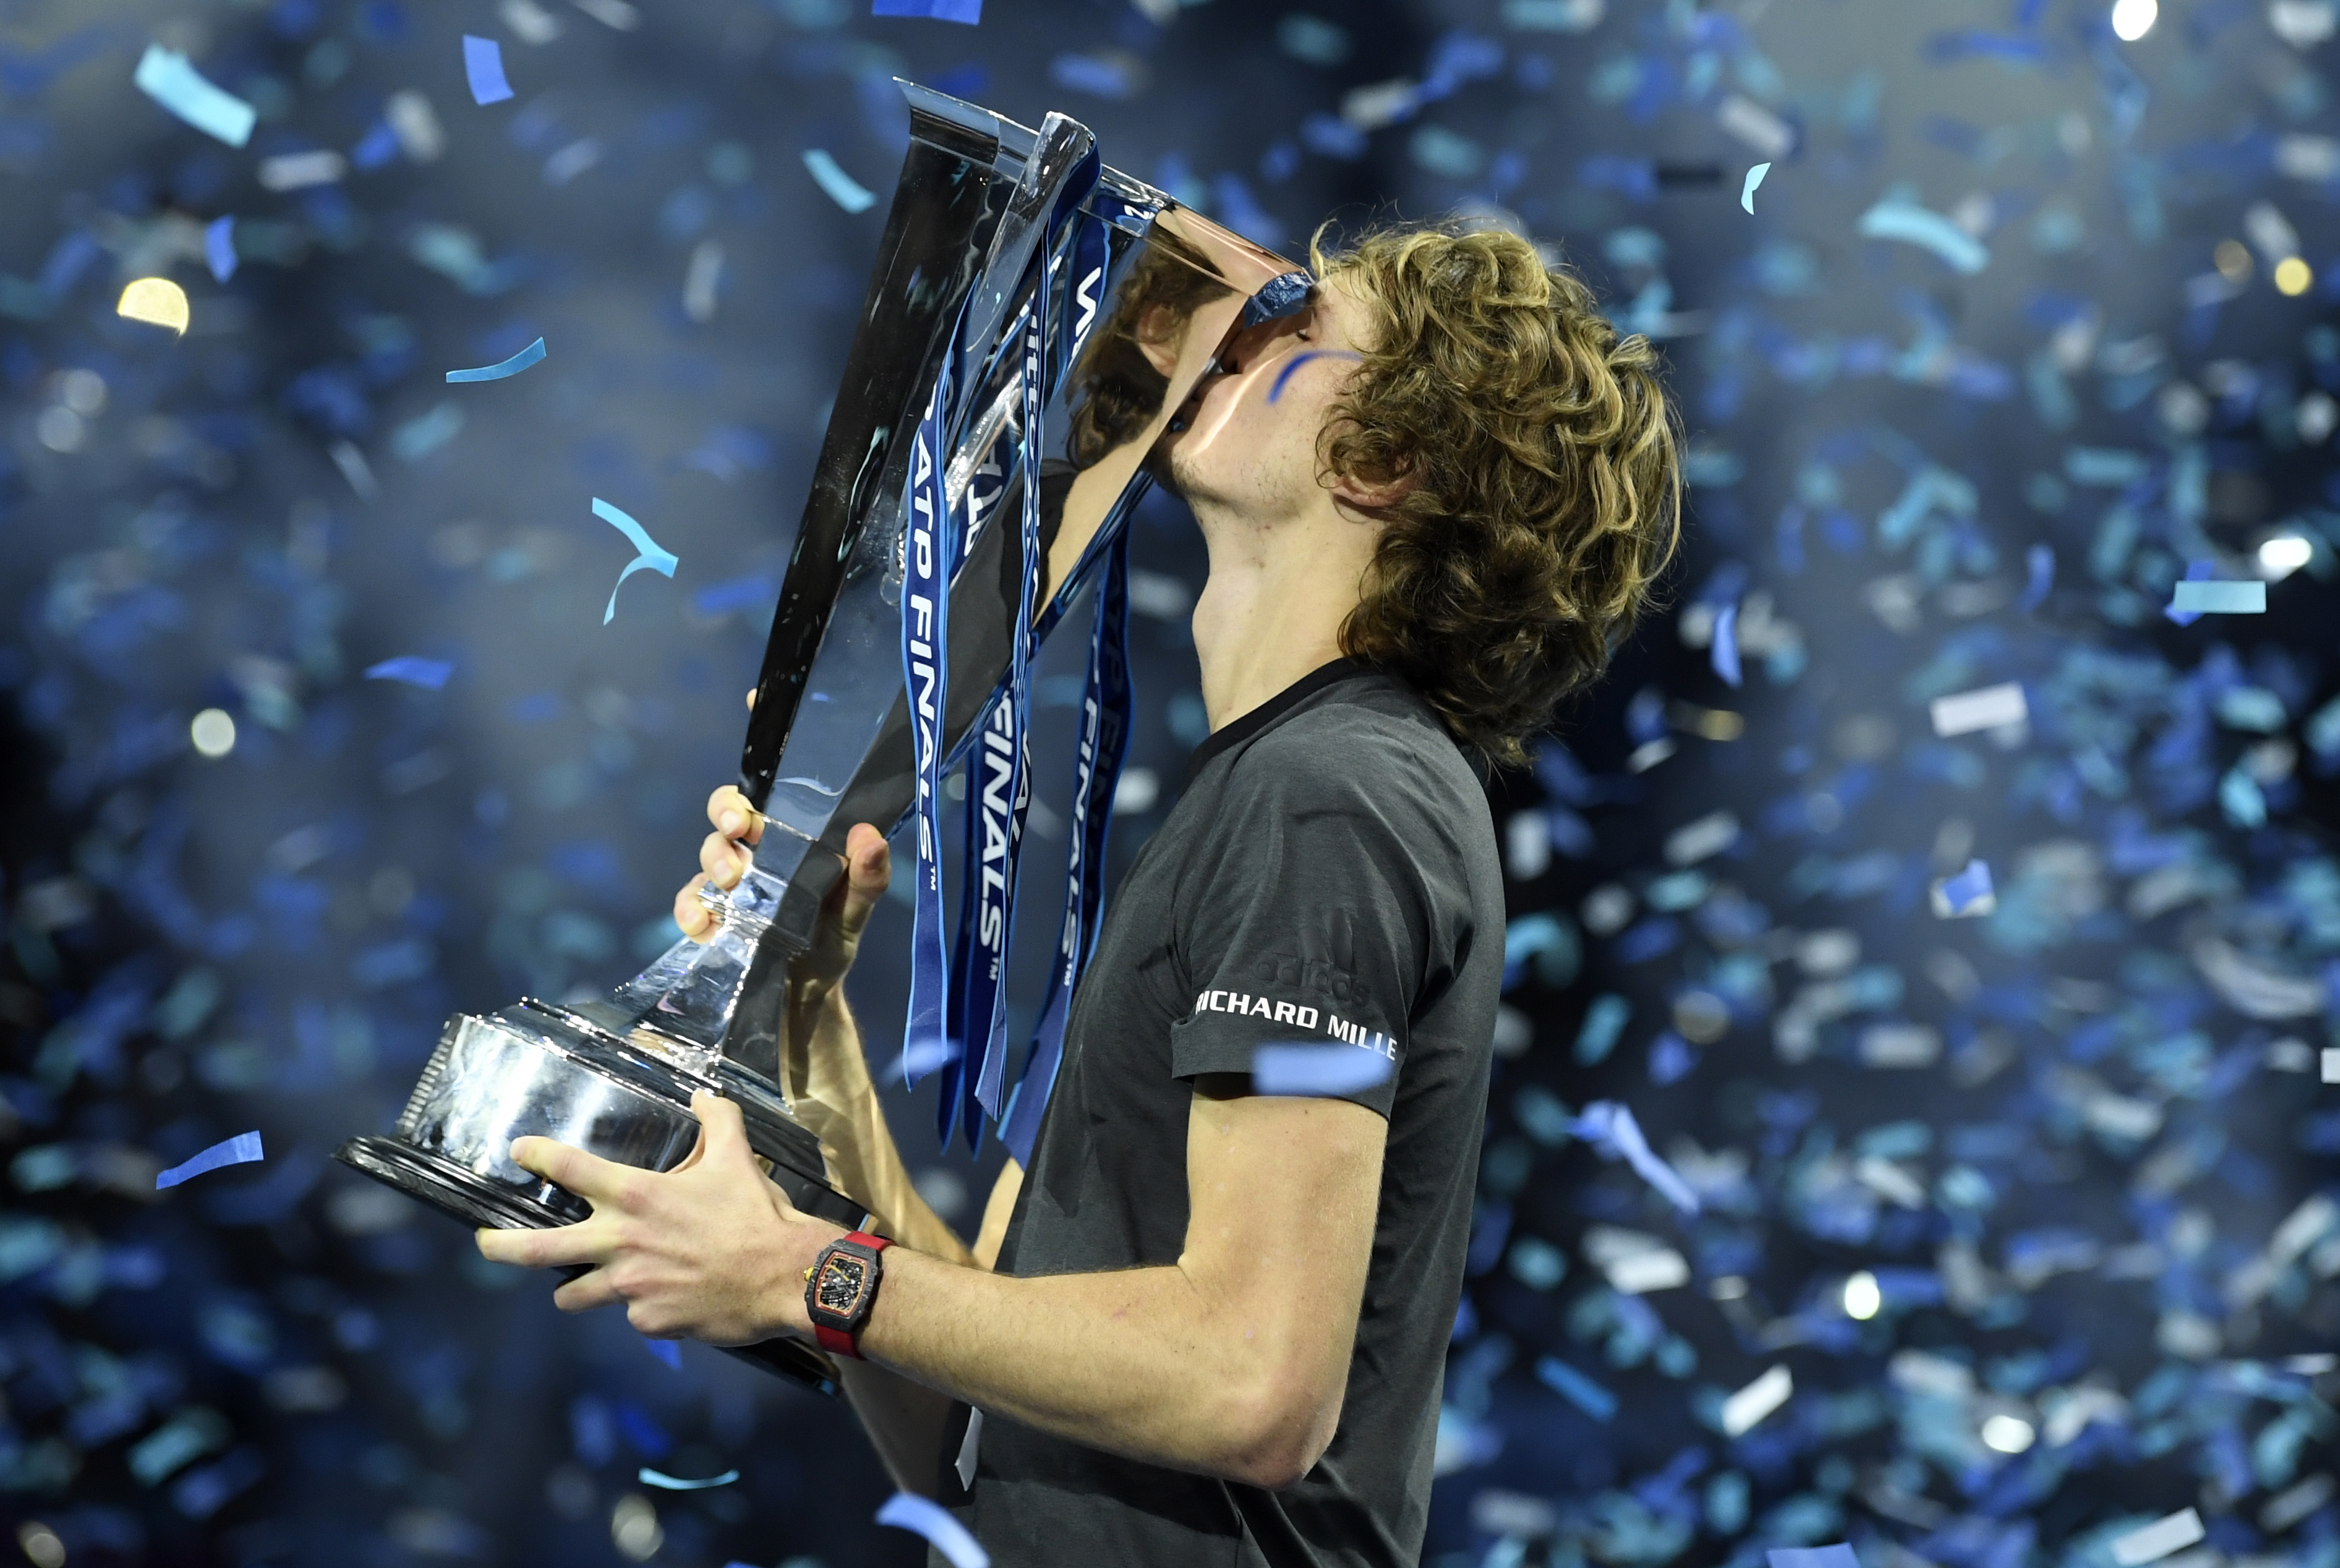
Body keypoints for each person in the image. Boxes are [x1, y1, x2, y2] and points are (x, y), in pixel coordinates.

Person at [475, 223, 1683, 1567]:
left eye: (1297, 325)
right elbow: (977, 1441)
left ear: (1384, 459)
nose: (1233, 324)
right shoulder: (1272, 788)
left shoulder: (1336, 797)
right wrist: (817, 1066)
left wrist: (793, 1272)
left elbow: (1253, 1384)